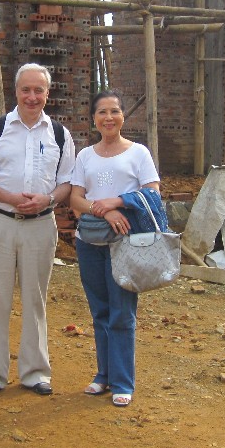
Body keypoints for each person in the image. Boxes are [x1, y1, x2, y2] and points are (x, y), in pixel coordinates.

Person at [0, 63, 75, 396]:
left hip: (40, 226)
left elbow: (67, 183)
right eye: (26, 89)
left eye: (38, 90)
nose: (32, 96)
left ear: (47, 93)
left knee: (35, 299)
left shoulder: (59, 134)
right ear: (16, 91)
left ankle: (35, 372)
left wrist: (47, 199)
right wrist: (11, 198)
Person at [69, 90, 161, 408]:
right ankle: (103, 375)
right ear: (93, 119)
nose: (109, 117)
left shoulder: (138, 153)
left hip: (125, 244)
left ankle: (122, 381)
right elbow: (75, 199)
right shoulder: (85, 156)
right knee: (100, 311)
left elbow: (153, 193)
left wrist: (118, 201)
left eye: (115, 111)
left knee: (122, 312)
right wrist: (105, 211)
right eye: (102, 112)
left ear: (123, 116)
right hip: (89, 242)